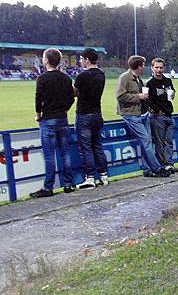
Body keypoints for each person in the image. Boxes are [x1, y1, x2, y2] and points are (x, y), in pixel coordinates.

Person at [29, 48, 76, 198]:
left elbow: (38, 99)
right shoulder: (66, 78)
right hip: (62, 118)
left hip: (48, 119)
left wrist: (38, 115)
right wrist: (64, 109)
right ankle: (68, 184)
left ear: (47, 60)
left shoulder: (42, 78)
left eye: (43, 57)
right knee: (65, 153)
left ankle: (48, 187)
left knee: (49, 156)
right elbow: (71, 97)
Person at [116, 55, 170, 178]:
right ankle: (157, 168)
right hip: (131, 114)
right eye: (143, 65)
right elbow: (120, 96)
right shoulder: (125, 78)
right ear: (139, 66)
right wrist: (139, 97)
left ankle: (148, 169)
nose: (144, 67)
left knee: (147, 142)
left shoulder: (137, 78)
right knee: (146, 142)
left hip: (142, 113)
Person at [74, 48, 109, 189]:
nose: (80, 61)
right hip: (97, 114)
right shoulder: (101, 74)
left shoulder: (82, 76)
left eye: (82, 59)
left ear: (87, 60)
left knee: (86, 148)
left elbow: (74, 92)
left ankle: (90, 178)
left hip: (84, 114)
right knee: (98, 146)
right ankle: (104, 175)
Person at [147, 58, 178, 174]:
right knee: (159, 143)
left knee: (169, 141)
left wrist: (173, 94)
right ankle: (163, 164)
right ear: (152, 68)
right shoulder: (150, 83)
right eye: (156, 67)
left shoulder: (168, 81)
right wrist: (156, 111)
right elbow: (147, 100)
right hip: (158, 117)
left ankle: (169, 163)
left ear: (164, 68)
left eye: (161, 67)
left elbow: (172, 92)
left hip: (169, 115)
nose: (159, 70)